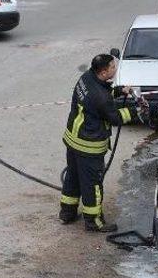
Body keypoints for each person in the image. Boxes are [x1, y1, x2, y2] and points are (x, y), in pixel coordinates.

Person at [59, 54, 141, 232]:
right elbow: (114, 117)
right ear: (103, 72)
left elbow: (101, 91)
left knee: (72, 177)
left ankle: (67, 213)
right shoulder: (100, 98)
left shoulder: (87, 77)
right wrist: (135, 111)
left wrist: (119, 91)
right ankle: (94, 221)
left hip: (73, 140)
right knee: (93, 184)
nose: (115, 69)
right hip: (89, 146)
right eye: (112, 67)